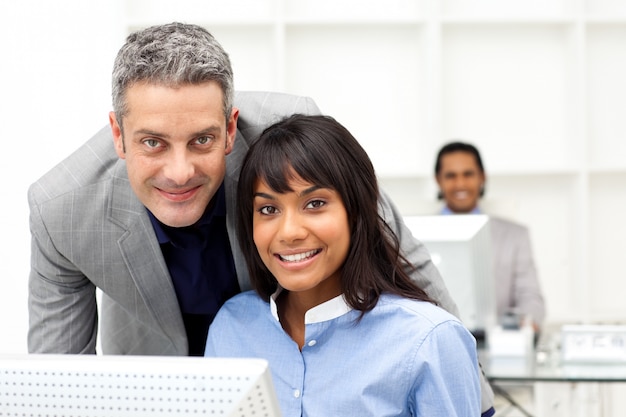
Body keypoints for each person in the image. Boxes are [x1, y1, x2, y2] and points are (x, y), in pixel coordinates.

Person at [27, 22, 494, 415]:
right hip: (157, 368)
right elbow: (55, 384)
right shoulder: (61, 210)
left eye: (202, 141)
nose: (179, 171)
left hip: (289, 351)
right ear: (118, 134)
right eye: (152, 143)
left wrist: (469, 390)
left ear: (230, 128)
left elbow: (397, 250)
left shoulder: (288, 132)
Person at [205, 114, 481, 416]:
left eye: (314, 204)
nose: (289, 232)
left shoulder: (430, 340)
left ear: (356, 211)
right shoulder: (232, 327)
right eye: (268, 209)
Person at [435, 141, 546, 332]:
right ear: (438, 180)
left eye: (468, 174)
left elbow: (531, 298)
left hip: (496, 343)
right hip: (436, 341)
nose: (460, 184)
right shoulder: (412, 236)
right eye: (451, 176)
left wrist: (522, 326)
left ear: (482, 178)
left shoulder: (514, 236)